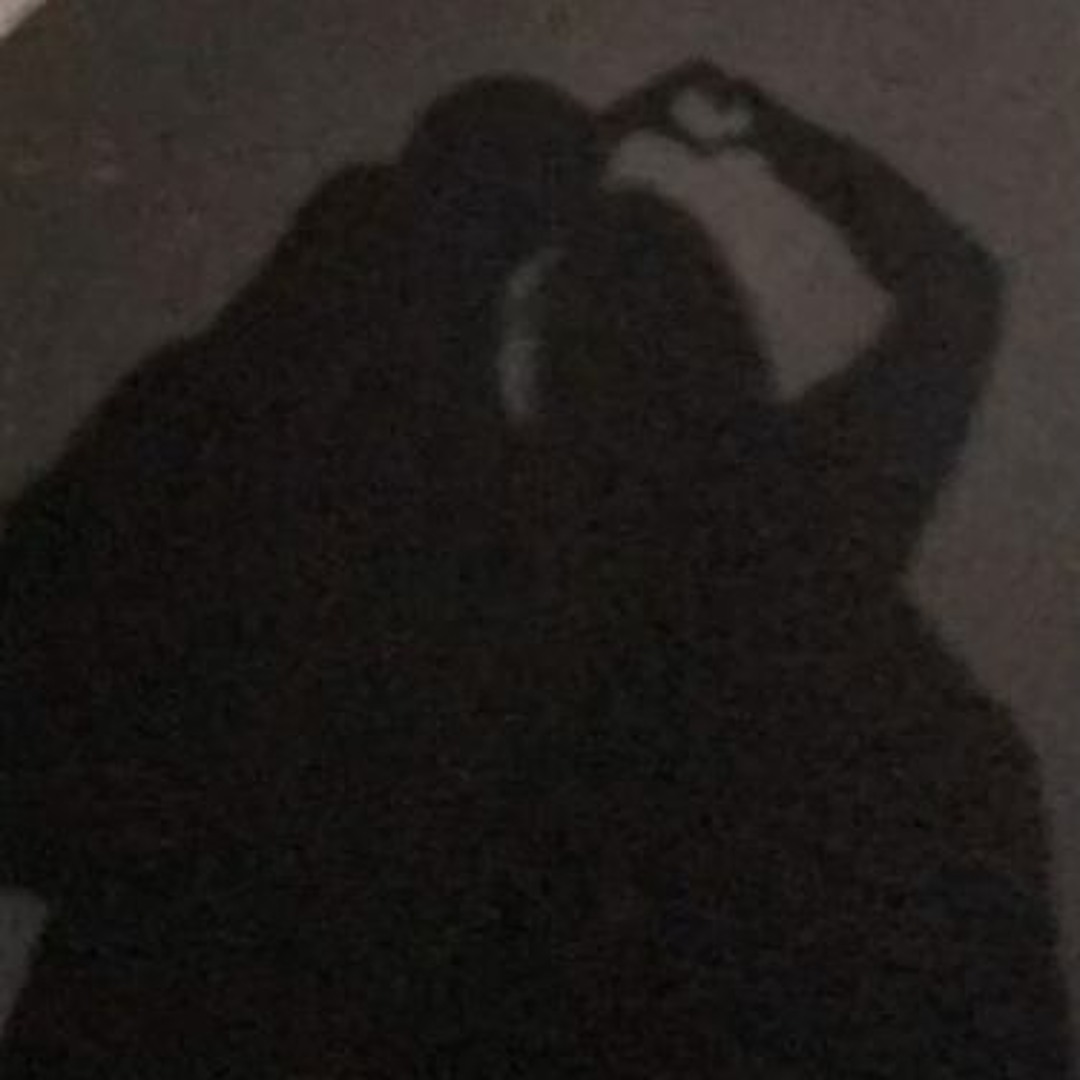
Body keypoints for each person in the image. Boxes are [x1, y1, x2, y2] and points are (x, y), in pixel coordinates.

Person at [0, 63, 1072, 1076]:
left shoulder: (488, 553)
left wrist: (532, 173)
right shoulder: (801, 513)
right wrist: (771, 137)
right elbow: (956, 291)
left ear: (551, 355)